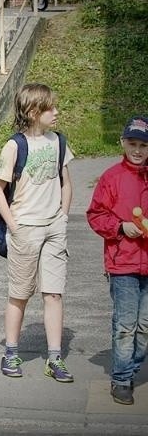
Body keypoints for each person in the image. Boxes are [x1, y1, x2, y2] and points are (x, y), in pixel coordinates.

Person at [0, 83, 74, 382]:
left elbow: (65, 182)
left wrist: (62, 216)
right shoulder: (15, 146)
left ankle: (55, 359)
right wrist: (13, 225)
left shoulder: (58, 142)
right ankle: (11, 352)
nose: (56, 112)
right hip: (25, 228)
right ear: (32, 111)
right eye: (50, 108)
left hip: (54, 228)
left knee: (54, 293)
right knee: (20, 294)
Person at [86, 116, 148, 405]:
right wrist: (121, 227)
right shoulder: (112, 177)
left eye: (143, 145)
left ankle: (132, 367)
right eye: (132, 143)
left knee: (145, 325)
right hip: (122, 263)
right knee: (125, 324)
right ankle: (122, 379)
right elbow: (96, 215)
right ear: (123, 143)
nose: (137, 150)